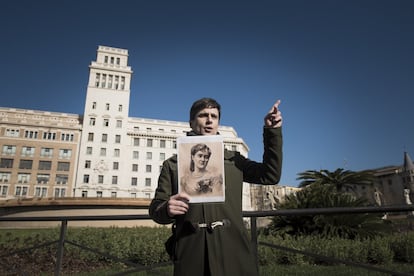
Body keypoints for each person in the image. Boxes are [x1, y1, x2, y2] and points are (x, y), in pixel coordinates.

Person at [149, 97, 283, 276]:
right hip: (191, 252)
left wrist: (272, 132)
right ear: (191, 122)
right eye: (203, 115)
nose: (209, 120)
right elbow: (156, 209)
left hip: (233, 251)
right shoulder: (172, 165)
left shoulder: (234, 160)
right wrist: (166, 209)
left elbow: (270, 176)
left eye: (214, 116)